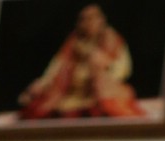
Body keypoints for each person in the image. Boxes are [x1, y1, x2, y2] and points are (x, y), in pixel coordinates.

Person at [18, 5, 147, 121]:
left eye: (92, 18)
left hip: (98, 89)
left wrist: (102, 69)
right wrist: (43, 82)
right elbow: (56, 67)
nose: (87, 23)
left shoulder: (111, 39)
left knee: (112, 106)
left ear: (101, 20)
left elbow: (123, 69)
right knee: (37, 106)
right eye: (83, 19)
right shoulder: (73, 42)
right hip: (71, 93)